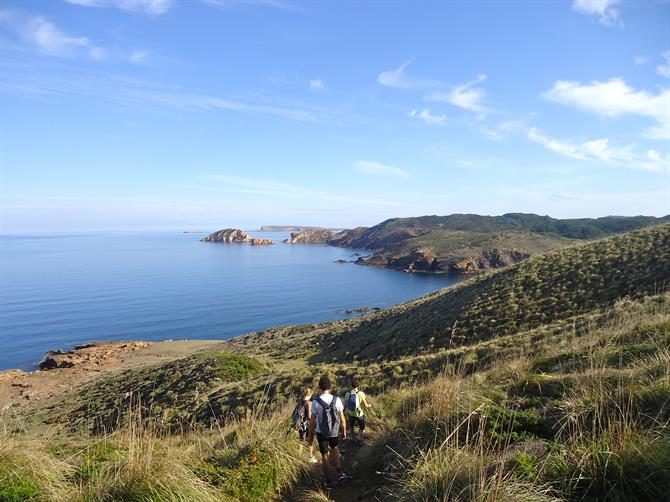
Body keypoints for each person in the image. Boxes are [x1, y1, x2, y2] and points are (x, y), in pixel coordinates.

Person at [308, 375, 347, 489]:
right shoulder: (337, 399)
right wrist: (344, 430)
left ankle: (329, 481)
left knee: (324, 455)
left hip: (321, 432)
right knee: (335, 448)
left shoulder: (315, 402)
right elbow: (342, 418)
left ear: (320, 387)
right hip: (334, 431)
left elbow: (312, 422)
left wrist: (310, 437)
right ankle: (340, 473)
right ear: (330, 386)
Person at [291, 387, 318, 463]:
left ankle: (298, 458)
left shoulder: (300, 402)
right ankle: (310, 457)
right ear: (310, 394)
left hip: (299, 424)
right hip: (306, 425)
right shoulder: (309, 403)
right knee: (310, 441)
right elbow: (309, 416)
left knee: (301, 441)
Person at [344, 376, 372, 442]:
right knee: (362, 426)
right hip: (359, 413)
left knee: (351, 426)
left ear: (351, 386)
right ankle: (359, 436)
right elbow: (366, 405)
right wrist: (369, 405)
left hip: (351, 413)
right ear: (358, 386)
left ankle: (352, 436)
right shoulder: (361, 394)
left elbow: (345, 405)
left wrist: (344, 411)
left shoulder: (347, 394)